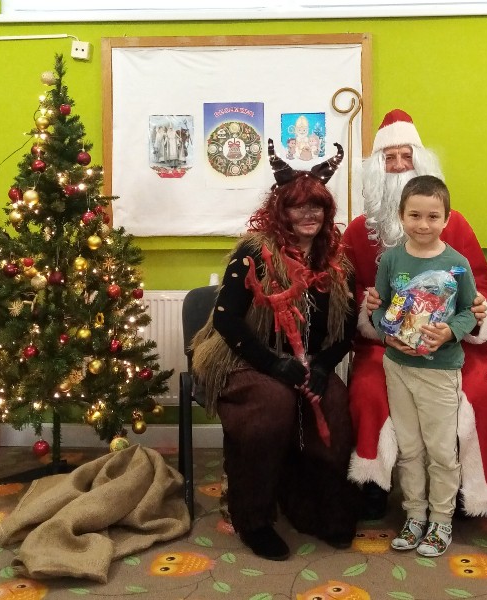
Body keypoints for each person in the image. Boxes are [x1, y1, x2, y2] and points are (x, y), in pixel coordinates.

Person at [191, 139, 359, 561]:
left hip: (306, 361)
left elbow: (346, 329)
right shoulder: (254, 252)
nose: (308, 214)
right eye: (298, 207)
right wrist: (272, 364)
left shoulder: (338, 261)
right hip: (243, 356)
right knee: (272, 405)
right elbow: (227, 321)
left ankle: (317, 507)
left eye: (316, 206)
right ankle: (253, 518)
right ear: (280, 210)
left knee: (335, 405)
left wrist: (324, 366)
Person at [342, 109, 487, 520]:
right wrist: (368, 312)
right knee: (367, 390)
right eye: (389, 158)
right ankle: (373, 484)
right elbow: (344, 295)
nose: (399, 166)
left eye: (406, 156)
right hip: (384, 346)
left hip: (451, 344)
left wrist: (475, 312)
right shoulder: (358, 231)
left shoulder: (456, 226)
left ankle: (468, 490)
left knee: (481, 394)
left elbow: (481, 287)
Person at [372, 175, 477, 556]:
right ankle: (415, 515)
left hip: (440, 369)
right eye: (414, 215)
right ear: (401, 216)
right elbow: (381, 308)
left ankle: (441, 520)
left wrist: (449, 332)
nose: (423, 224)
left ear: (446, 219)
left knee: (441, 451)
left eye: (433, 216)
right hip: (398, 366)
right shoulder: (391, 260)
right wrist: (387, 335)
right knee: (409, 448)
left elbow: (468, 312)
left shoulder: (457, 264)